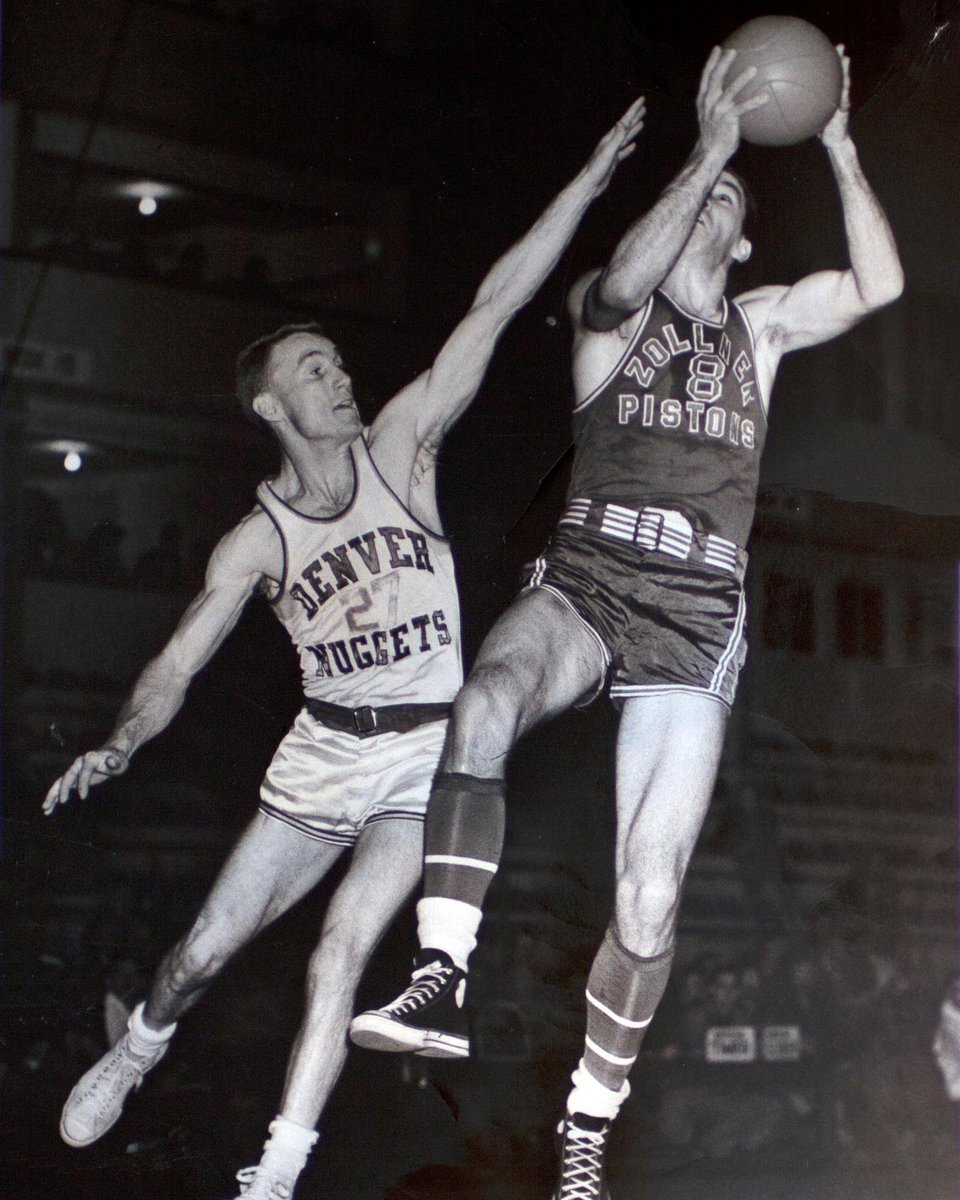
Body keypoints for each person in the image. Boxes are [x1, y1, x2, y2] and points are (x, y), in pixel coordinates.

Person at [41, 97, 645, 1200]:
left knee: (339, 955)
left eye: (338, 364)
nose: (342, 378)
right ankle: (139, 1049)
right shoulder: (254, 541)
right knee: (199, 957)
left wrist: (591, 182)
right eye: (316, 369)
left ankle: (275, 1173)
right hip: (320, 754)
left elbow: (499, 301)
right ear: (273, 405)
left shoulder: (403, 447)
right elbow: (178, 663)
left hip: (424, 757)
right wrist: (123, 742)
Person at [350, 45, 903, 1200]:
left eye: (729, 199)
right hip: (590, 579)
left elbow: (881, 286)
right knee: (486, 698)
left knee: (650, 890)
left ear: (744, 238)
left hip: (697, 617)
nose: (708, 203)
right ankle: (440, 972)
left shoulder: (761, 328)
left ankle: (588, 1125)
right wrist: (707, 151)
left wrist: (841, 146)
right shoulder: (611, 321)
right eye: (693, 194)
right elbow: (611, 283)